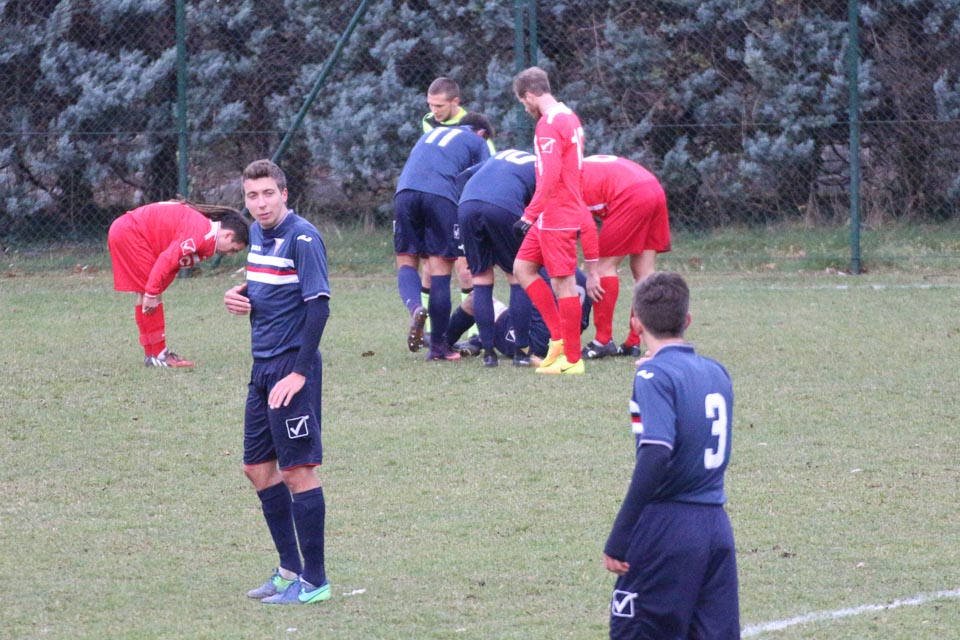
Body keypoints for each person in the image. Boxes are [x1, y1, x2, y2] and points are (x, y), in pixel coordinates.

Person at [603, 272, 739, 639]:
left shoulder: (654, 376)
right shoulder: (716, 372)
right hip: (715, 527)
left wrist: (621, 533)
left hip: (666, 529)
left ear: (635, 322)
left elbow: (656, 452)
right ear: (687, 320)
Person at [223, 159, 332, 605]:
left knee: (297, 471)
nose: (261, 203)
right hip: (262, 368)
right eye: (252, 196)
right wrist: (240, 295)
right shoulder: (256, 234)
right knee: (257, 469)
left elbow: (318, 306)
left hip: (292, 367)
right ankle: (289, 571)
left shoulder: (303, 238)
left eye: (268, 193)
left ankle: (316, 581)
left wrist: (299, 372)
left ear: (284, 194)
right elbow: (269, 286)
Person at [511, 66, 601, 375]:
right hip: (552, 212)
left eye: (523, 102)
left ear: (530, 95)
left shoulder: (548, 124)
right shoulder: (568, 116)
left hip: (557, 213)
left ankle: (572, 360)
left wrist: (530, 213)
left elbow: (549, 174)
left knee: (563, 284)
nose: (525, 108)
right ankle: (558, 340)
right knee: (523, 268)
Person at [394, 112, 493, 361]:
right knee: (440, 270)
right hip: (441, 196)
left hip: (405, 193)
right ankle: (438, 348)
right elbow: (481, 177)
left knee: (406, 261)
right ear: (481, 132)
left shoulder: (431, 133)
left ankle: (416, 307)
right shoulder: (478, 141)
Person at [107, 197, 249, 367]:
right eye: (233, 249)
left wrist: (153, 291)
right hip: (130, 232)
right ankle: (159, 355)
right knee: (149, 294)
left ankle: (152, 354)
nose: (230, 254)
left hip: (126, 229)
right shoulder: (201, 232)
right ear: (228, 235)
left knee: (146, 293)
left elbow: (172, 264)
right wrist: (152, 293)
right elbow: (167, 259)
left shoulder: (204, 233)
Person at [579, 155, 672, 360]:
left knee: (603, 267)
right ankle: (634, 341)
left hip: (631, 194)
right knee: (645, 273)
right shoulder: (578, 165)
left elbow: (586, 229)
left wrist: (591, 269)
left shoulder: (563, 184)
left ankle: (603, 340)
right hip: (653, 187)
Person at [457, 148, 538, 367]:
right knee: (518, 276)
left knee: (481, 279)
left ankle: (488, 353)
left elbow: (463, 177)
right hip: (504, 207)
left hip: (467, 206)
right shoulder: (542, 166)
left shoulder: (501, 155)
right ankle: (521, 352)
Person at [451, 267, 592, 364]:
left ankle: (445, 342)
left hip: (534, 343)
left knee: (475, 299)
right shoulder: (581, 276)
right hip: (566, 345)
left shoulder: (537, 268)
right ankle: (478, 341)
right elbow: (583, 322)